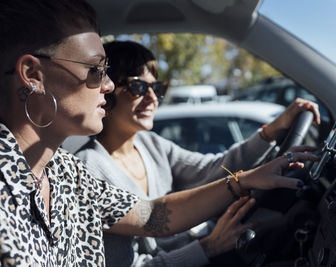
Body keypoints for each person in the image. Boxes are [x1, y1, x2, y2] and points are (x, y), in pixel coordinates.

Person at [0, 0, 319, 266]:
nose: (108, 85)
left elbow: (152, 215)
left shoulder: (66, 173)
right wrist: (208, 246)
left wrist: (244, 180)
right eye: (95, 71)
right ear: (33, 75)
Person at [75, 40, 321, 266]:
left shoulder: (150, 144)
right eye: (137, 87)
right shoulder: (90, 168)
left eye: (157, 88)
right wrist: (208, 247)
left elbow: (214, 169)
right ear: (106, 90)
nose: (152, 98)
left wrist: (270, 133)